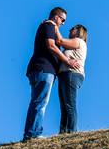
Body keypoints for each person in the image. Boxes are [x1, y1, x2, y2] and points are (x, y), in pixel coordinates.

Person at [23, 7, 82, 141]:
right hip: (44, 69)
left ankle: (31, 133)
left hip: (40, 69)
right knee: (40, 102)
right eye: (63, 20)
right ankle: (33, 134)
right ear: (56, 17)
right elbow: (51, 45)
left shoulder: (48, 26)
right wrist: (68, 60)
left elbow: (58, 41)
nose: (63, 23)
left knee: (37, 101)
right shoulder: (49, 25)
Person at [55, 24, 88, 134]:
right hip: (65, 75)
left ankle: (71, 132)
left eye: (73, 28)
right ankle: (63, 132)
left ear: (79, 32)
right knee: (64, 106)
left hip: (72, 74)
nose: (70, 29)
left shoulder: (78, 41)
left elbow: (59, 41)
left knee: (69, 105)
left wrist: (54, 27)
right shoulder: (72, 44)